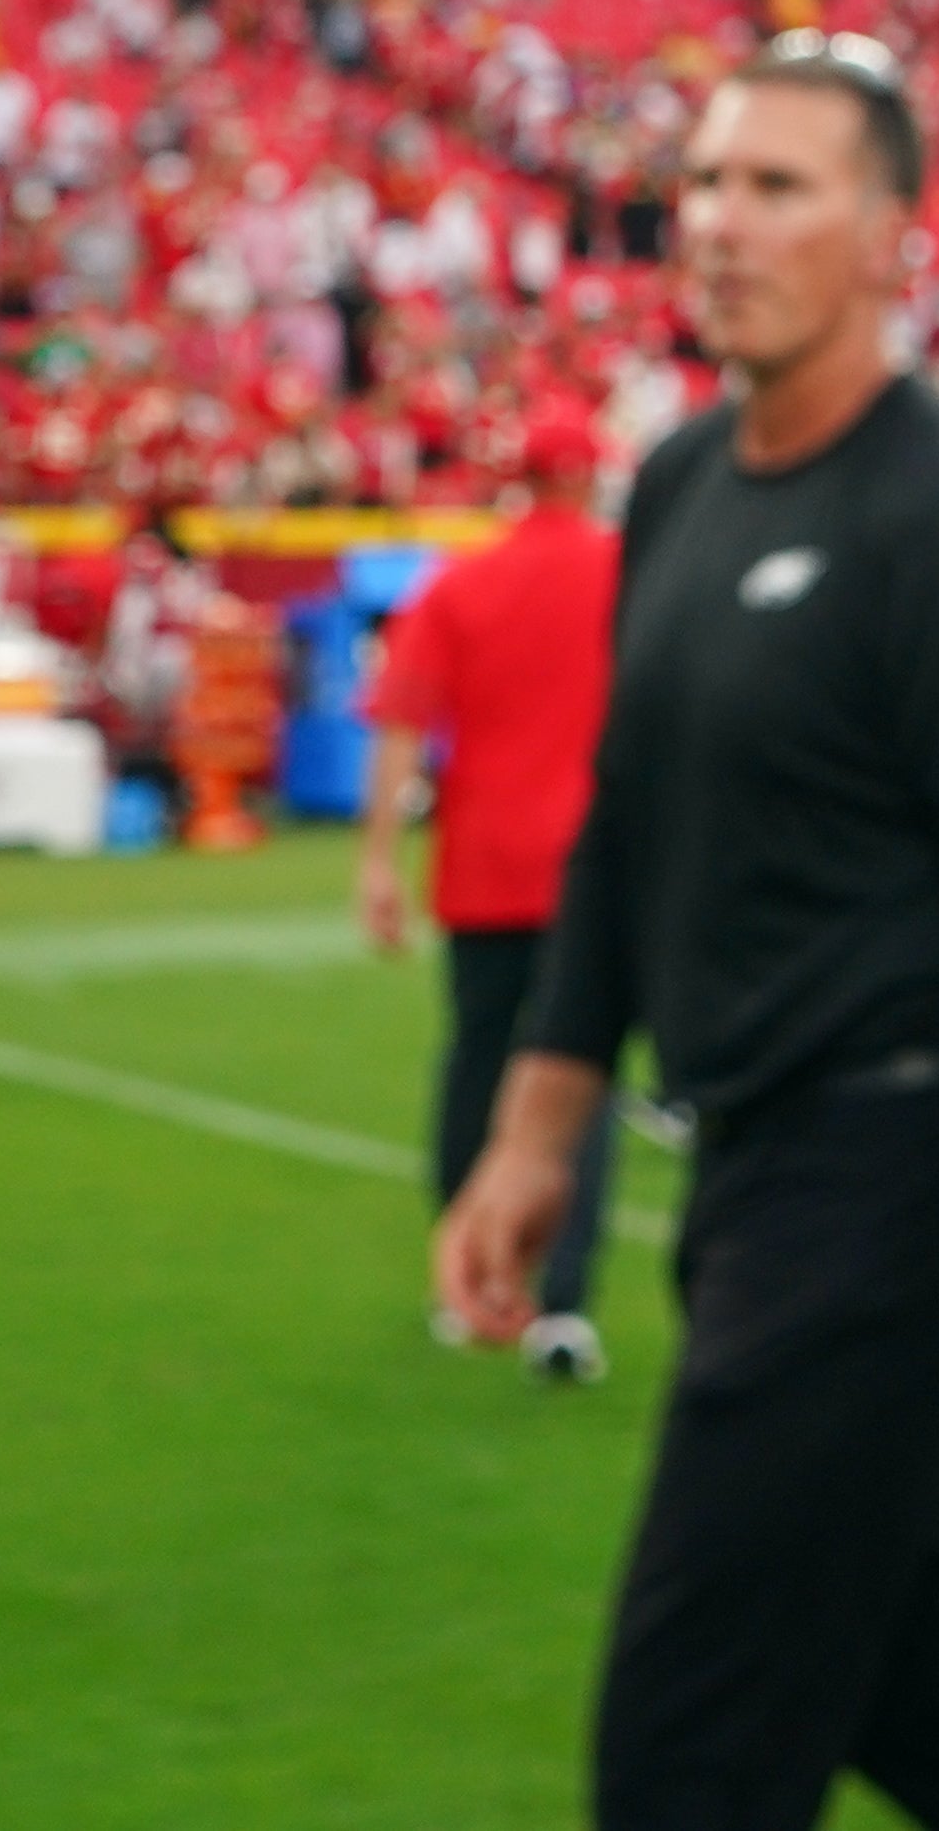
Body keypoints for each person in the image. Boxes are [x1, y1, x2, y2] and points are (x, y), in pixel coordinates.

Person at [434, 39, 939, 1831]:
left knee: (686, 1750)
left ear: (891, 237)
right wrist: (537, 1130)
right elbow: (626, 824)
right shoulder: (682, 479)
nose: (722, 222)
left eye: (778, 186)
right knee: (913, 1693)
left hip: (894, 1180)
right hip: (758, 1163)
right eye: (704, 182)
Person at [362, 405, 625, 1384]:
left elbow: (398, 721)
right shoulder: (627, 571)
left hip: (482, 862)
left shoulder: (461, 579)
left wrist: (379, 858)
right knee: (580, 1081)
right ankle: (561, 1302)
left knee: (478, 1061)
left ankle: (464, 1273)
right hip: (594, 864)